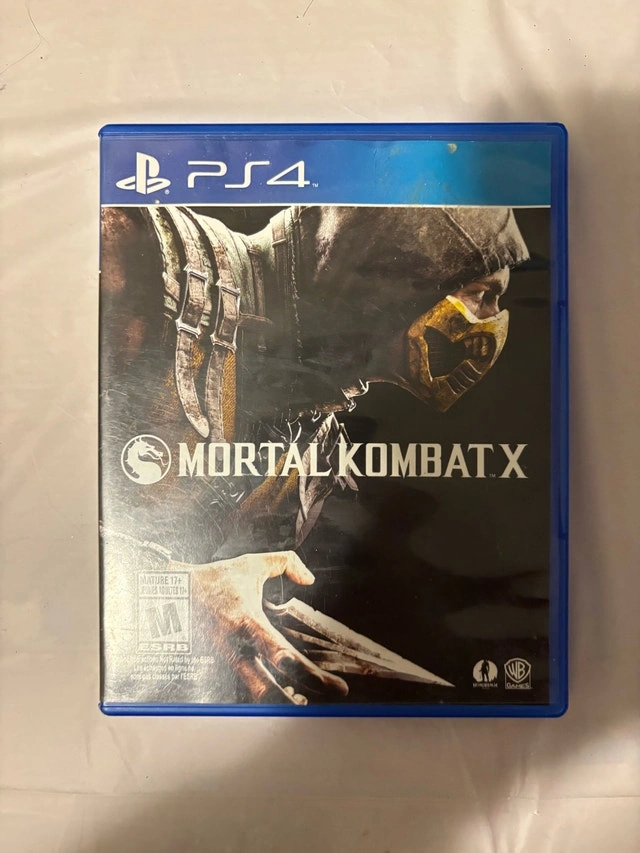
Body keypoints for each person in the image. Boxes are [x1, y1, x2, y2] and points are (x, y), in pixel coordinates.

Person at [100, 204, 528, 704]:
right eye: (480, 294)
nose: (492, 323)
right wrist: (177, 590)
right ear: (399, 266)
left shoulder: (322, 445)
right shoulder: (134, 252)